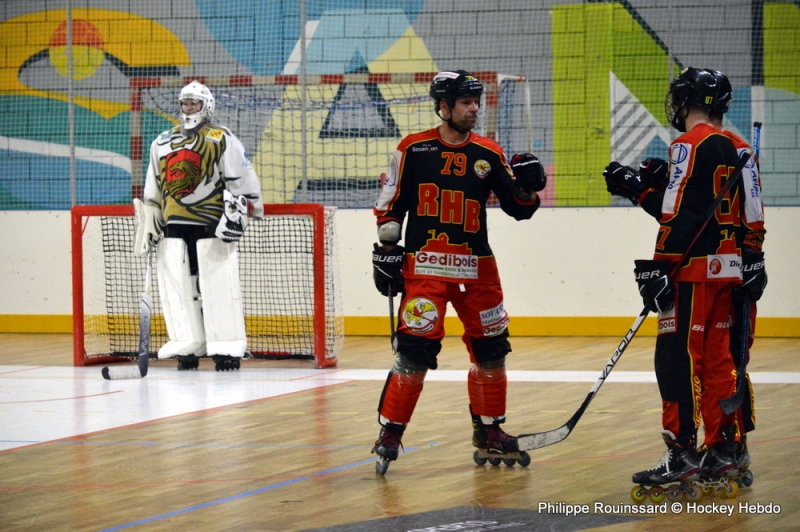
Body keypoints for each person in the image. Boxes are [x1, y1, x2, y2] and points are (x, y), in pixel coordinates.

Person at [369, 70, 546, 474]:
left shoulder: (488, 151)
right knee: (413, 355)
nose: (474, 109)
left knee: (492, 354)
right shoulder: (413, 149)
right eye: (465, 103)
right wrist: (386, 248)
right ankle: (391, 431)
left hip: (478, 272)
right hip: (425, 269)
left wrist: (529, 188)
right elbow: (390, 203)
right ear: (443, 107)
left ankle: (490, 431)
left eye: (475, 102)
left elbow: (519, 208)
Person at [603, 69, 767, 487]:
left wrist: (659, 262)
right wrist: (753, 259)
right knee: (721, 361)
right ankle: (726, 448)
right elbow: (752, 217)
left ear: (685, 101)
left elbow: (676, 214)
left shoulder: (687, 144)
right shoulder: (742, 147)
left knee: (676, 359)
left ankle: (681, 452)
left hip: (691, 272)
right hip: (729, 272)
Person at [133, 80, 264, 371]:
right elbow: (154, 183)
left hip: (211, 223)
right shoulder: (162, 141)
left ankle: (225, 347)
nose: (188, 108)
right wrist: (151, 212)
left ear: (207, 106)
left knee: (217, 283)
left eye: (194, 103)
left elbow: (241, 180)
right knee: (178, 287)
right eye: (184, 103)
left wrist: (243, 209)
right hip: (173, 225)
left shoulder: (221, 138)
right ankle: (187, 344)